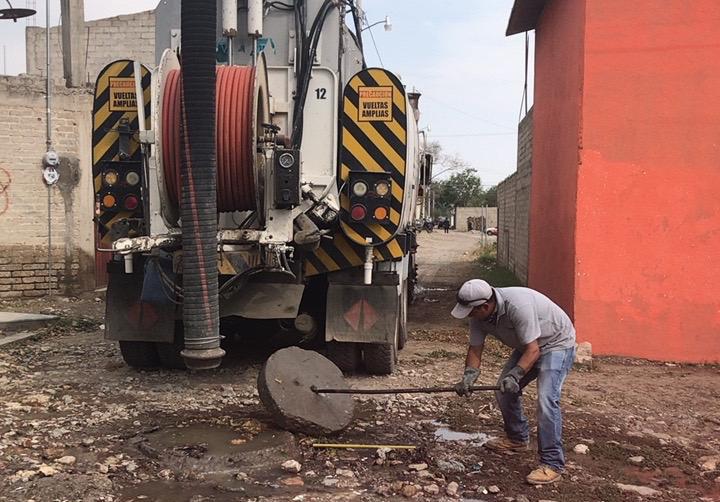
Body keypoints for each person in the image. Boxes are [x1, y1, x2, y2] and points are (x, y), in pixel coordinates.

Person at [451, 279, 576, 485]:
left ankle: (553, 464)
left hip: (556, 343)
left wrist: (516, 375)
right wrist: (469, 375)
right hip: (528, 345)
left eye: (471, 311)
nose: (469, 316)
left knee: (546, 400)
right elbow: (475, 349)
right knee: (503, 391)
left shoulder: (518, 305)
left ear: (485, 306)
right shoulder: (478, 315)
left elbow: (534, 350)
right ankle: (517, 439)